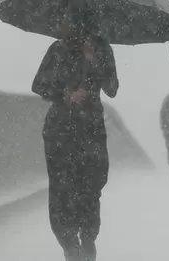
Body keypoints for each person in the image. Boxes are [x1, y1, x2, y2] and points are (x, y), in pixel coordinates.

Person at [32, 16, 118, 261]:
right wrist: (65, 94)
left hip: (90, 128)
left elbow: (112, 88)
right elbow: (38, 85)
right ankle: (69, 244)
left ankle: (88, 238)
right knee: (61, 188)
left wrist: (93, 59)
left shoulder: (102, 49)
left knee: (92, 184)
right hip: (60, 128)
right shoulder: (58, 49)